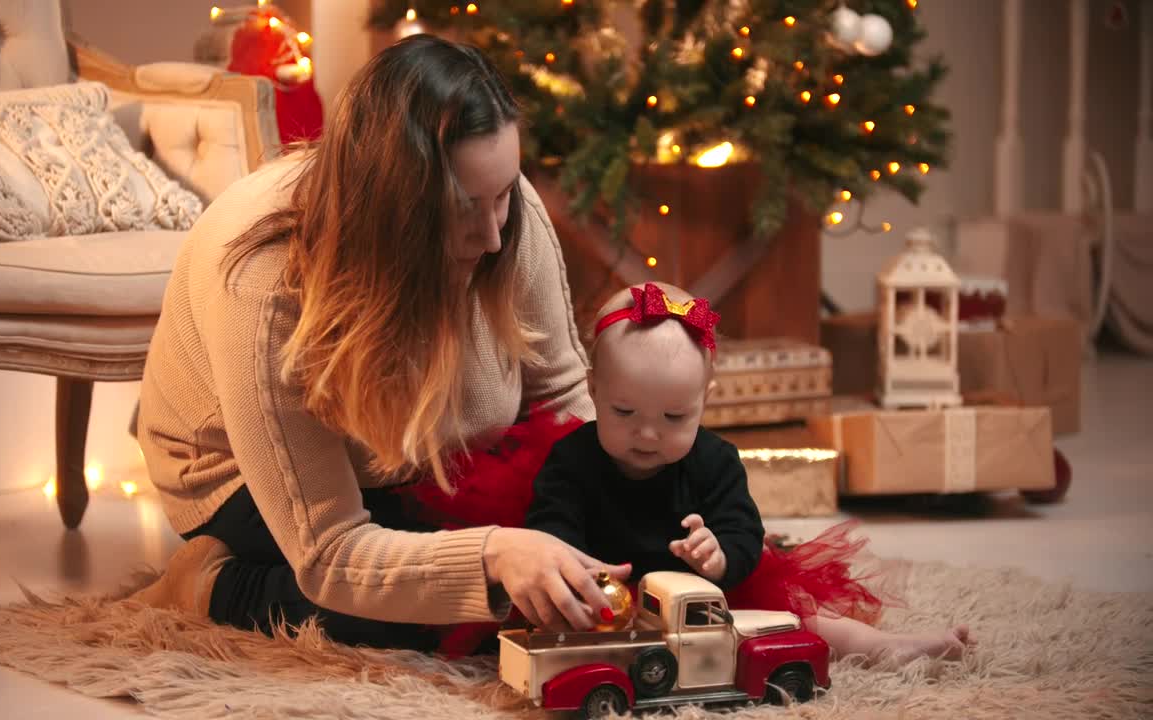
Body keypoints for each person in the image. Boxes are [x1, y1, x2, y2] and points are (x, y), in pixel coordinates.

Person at [129, 34, 630, 650]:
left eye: (503, 194)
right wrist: (494, 553)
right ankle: (211, 584)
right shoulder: (264, 282)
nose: (494, 235)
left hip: (425, 454)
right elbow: (329, 552)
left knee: (586, 554)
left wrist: (634, 492)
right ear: (396, 211)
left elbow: (560, 393)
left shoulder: (502, 204)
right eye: (466, 206)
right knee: (434, 612)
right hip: (242, 476)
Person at [521, 282, 974, 665]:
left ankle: (880, 647)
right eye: (624, 411)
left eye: (674, 417)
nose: (647, 433)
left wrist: (719, 557)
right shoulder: (572, 460)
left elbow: (743, 529)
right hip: (603, 599)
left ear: (705, 401)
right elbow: (550, 526)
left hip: (704, 594)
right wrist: (573, 577)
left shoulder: (715, 461)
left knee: (795, 615)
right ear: (593, 389)